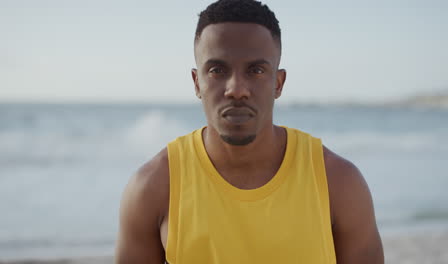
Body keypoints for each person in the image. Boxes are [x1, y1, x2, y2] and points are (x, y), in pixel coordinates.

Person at [115, 0, 384, 263]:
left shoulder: (338, 183)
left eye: (255, 70)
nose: (236, 89)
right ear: (197, 82)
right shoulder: (153, 187)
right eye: (217, 70)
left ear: (278, 83)